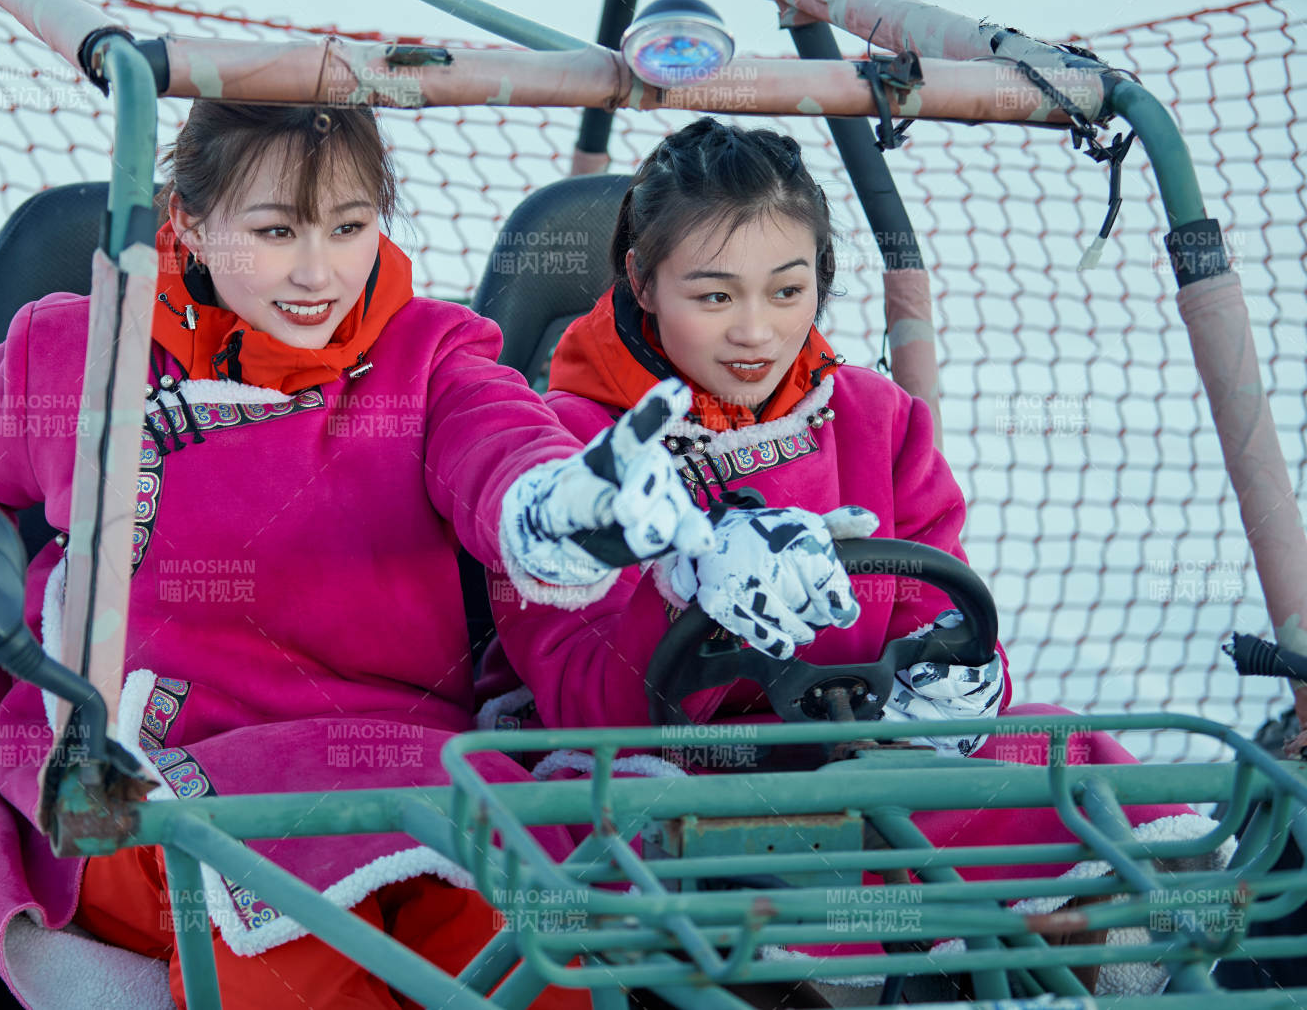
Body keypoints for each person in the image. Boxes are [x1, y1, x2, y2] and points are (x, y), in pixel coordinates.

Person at [0, 102, 714, 1010]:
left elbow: (503, 449)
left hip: (403, 774)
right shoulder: (81, 356)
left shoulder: (430, 358)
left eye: (350, 226)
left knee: (521, 937)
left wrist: (556, 509)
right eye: (278, 230)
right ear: (190, 226)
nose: (319, 271)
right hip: (152, 780)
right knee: (283, 952)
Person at [481, 118, 1226, 992]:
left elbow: (935, 603)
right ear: (643, 281)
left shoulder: (874, 418)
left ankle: (1112, 951)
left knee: (1060, 760)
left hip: (856, 754)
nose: (756, 332)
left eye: (787, 291)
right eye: (715, 296)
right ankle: (864, 973)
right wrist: (695, 594)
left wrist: (954, 681)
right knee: (780, 868)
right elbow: (585, 695)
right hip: (675, 778)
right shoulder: (571, 452)